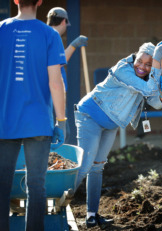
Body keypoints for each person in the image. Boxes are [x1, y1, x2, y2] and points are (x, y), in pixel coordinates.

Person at [74, 41, 162, 229]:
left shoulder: (146, 79)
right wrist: (157, 66)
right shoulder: (123, 69)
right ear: (135, 57)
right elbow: (148, 89)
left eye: (148, 64)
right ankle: (56, 203)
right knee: (85, 165)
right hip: (90, 115)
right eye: (140, 61)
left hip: (111, 124)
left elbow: (156, 101)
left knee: (97, 167)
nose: (142, 67)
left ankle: (92, 215)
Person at [0, 0, 67, 230]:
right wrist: (61, 121)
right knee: (36, 185)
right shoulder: (50, 34)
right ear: (39, 1)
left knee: (1, 184)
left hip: (4, 122)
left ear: (15, 1)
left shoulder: (1, 30)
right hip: (39, 122)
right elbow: (56, 84)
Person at [47, 7, 88, 142]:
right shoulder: (53, 36)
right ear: (64, 22)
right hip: (53, 94)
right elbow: (58, 63)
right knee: (62, 134)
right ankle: (55, 161)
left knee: (56, 133)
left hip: (48, 93)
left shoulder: (46, 35)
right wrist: (74, 45)